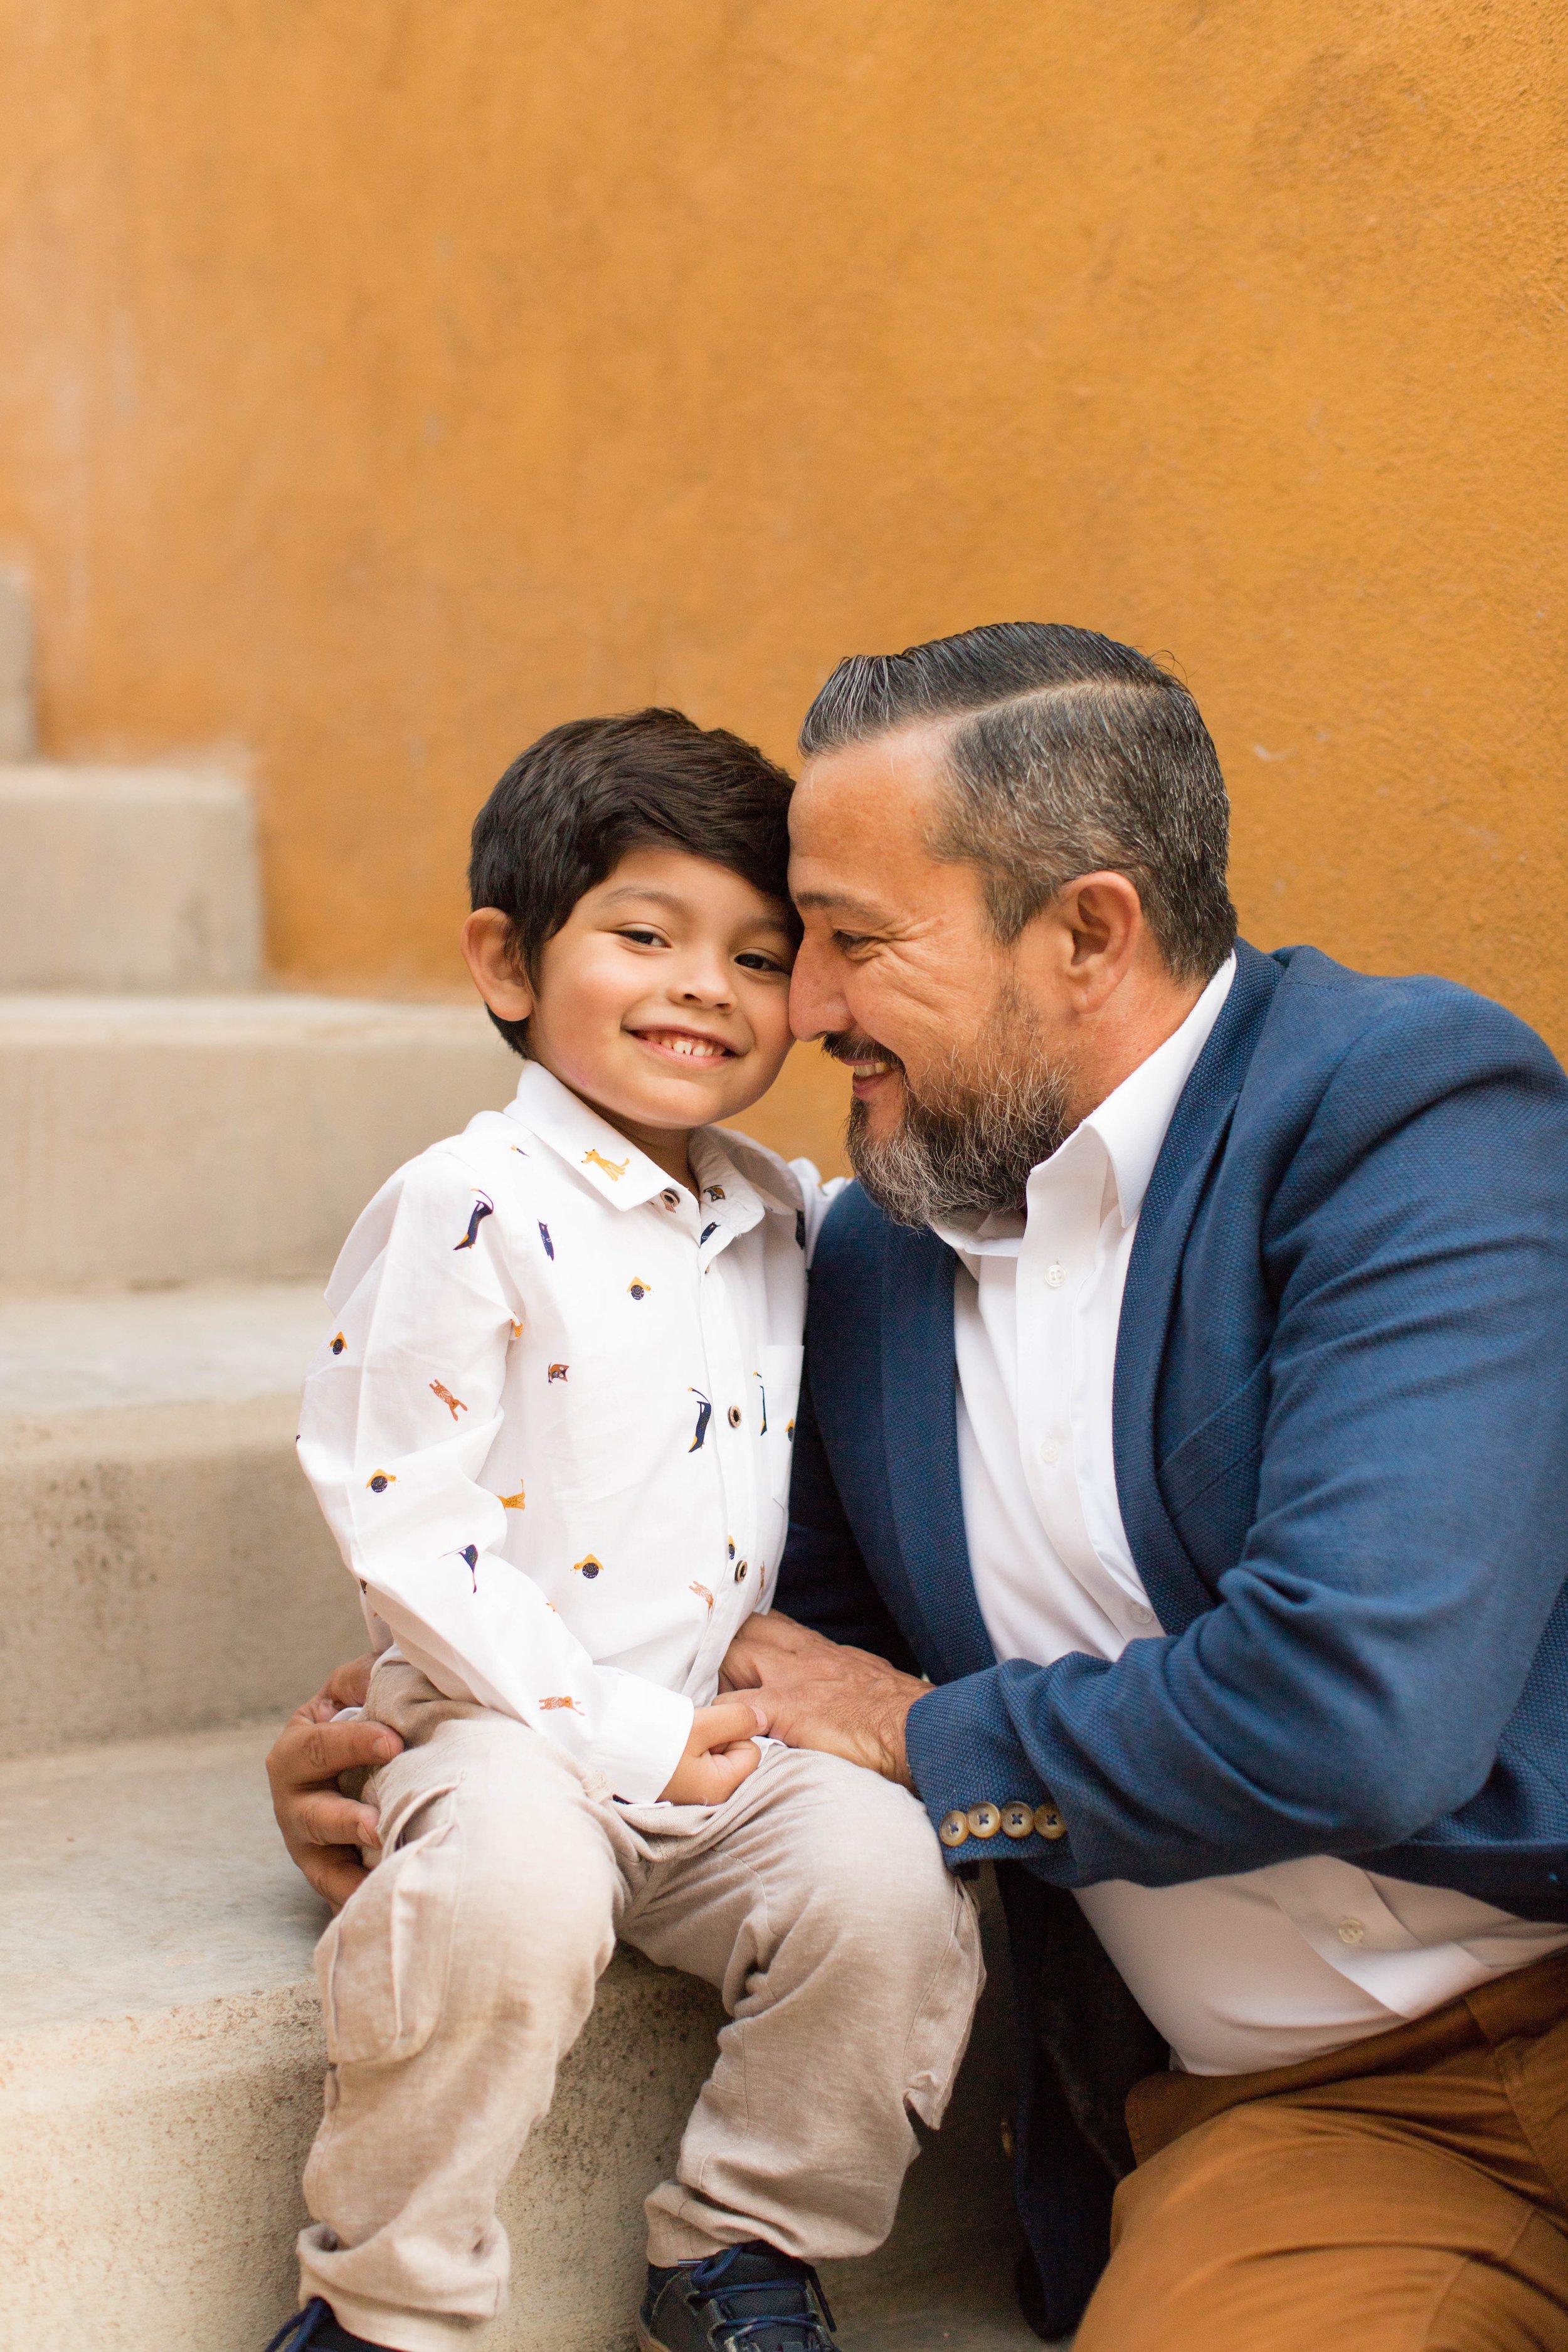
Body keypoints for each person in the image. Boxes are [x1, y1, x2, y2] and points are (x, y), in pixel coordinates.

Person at [272, 621, 1568, 2352]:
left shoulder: (1400, 1116)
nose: (795, 1008)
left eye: (844, 942)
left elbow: (1357, 1710)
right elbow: (745, 1631)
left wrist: (922, 1737)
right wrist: (441, 1734)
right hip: (1325, 2128)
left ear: (1086, 934)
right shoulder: (868, 1251)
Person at [264, 707, 982, 2352]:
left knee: (887, 1884)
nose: (704, 988)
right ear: (506, 963)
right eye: (644, 937)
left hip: (721, 1742)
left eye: (756, 956)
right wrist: (607, 1730)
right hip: (509, 1728)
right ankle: (386, 2298)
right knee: (508, 1896)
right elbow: (402, 1518)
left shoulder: (784, 1213)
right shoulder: (467, 1205)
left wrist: (689, 1737)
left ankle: (742, 2249)